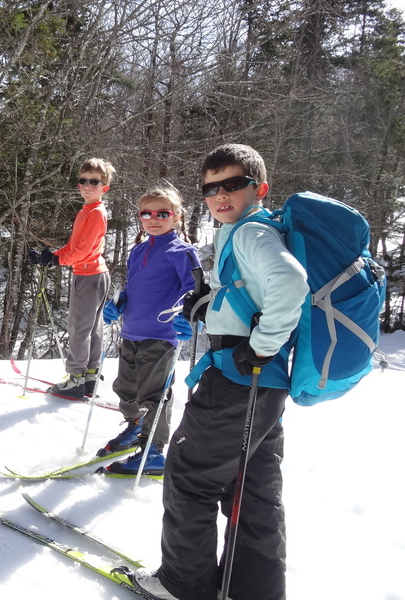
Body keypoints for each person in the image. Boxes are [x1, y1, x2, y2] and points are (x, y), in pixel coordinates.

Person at [133, 144, 309, 600]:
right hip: (265, 386)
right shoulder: (251, 230)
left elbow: (289, 282)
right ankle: (254, 589)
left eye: (233, 184)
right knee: (253, 488)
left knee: (189, 474)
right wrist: (208, 303)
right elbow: (251, 293)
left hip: (237, 377)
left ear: (260, 189)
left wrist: (260, 346)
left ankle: (182, 585)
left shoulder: (251, 233)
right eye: (211, 189)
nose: (220, 195)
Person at [97, 185, 200, 477]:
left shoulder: (182, 251)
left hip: (162, 335)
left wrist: (188, 315)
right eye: (146, 214)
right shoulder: (139, 249)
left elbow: (193, 290)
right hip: (132, 331)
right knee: (126, 388)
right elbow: (133, 287)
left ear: (177, 217)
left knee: (154, 394)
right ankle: (136, 427)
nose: (153, 219)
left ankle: (153, 450)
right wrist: (118, 303)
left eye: (162, 214)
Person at [29, 158, 114, 398]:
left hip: (88, 275)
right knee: (92, 328)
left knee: (79, 328)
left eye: (94, 182)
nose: (87, 186)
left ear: (104, 187)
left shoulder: (95, 213)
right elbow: (74, 246)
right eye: (83, 181)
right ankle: (90, 376)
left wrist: (59, 260)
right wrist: (51, 256)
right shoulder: (88, 211)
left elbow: (82, 250)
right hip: (94, 273)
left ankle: (77, 378)